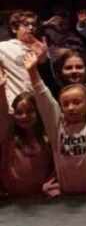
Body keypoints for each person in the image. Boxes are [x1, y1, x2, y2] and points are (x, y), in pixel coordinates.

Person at [30, 44, 86, 193]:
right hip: (68, 194)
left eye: (76, 102)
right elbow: (43, 98)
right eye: (66, 104)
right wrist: (33, 73)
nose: (71, 107)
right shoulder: (56, 127)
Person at [0, 67, 55, 197]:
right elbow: (2, 110)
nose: (24, 116)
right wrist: (1, 89)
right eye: (19, 113)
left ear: (38, 112)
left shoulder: (48, 136)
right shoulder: (10, 135)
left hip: (44, 197)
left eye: (29, 111)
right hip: (14, 198)